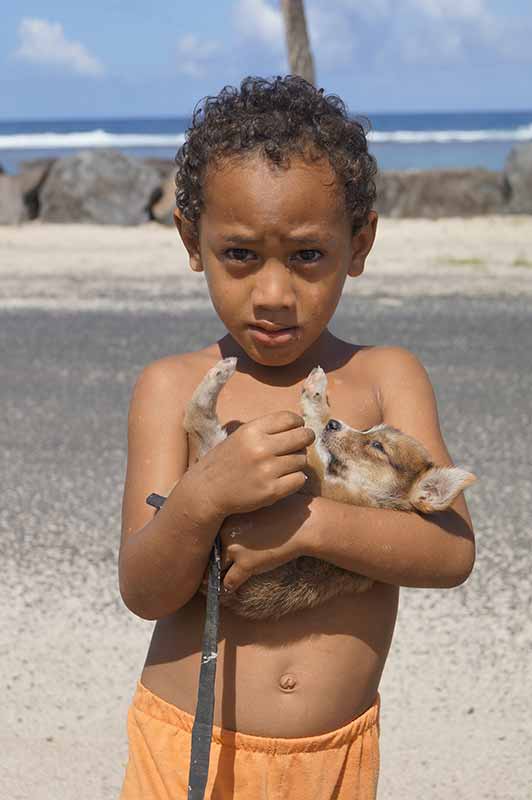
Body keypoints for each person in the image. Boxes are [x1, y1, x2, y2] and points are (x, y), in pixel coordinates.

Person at [118, 75, 475, 799]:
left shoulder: (386, 378)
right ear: (192, 241)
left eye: (308, 256)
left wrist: (304, 527)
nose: (275, 294)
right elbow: (145, 590)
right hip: (189, 746)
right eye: (240, 254)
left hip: (331, 762)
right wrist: (202, 496)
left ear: (359, 242)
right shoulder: (170, 386)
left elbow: (449, 552)